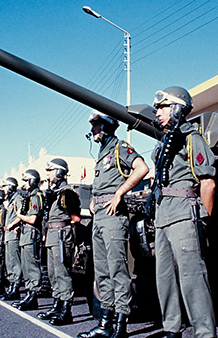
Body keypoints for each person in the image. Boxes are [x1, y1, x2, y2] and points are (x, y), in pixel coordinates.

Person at [152, 86, 217, 338]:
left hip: (184, 215)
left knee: (193, 280)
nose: (158, 112)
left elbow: (207, 182)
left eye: (163, 106)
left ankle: (204, 333)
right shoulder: (162, 145)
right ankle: (171, 327)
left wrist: (204, 222)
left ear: (177, 107)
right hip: (163, 217)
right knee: (164, 279)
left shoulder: (192, 139)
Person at [78, 110, 149, 338]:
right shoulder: (102, 153)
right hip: (99, 217)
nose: (93, 130)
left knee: (117, 269)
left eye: (96, 125)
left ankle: (120, 326)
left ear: (107, 125)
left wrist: (119, 193)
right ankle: (105, 324)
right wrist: (92, 200)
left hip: (113, 217)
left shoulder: (120, 148)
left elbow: (142, 168)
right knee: (102, 271)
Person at [38, 158, 81, 325]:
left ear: (59, 171)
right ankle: (56, 305)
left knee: (62, 273)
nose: (48, 174)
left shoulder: (67, 193)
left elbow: (75, 218)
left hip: (61, 234)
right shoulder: (55, 193)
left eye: (50, 171)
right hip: (52, 234)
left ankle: (66, 310)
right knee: (53, 273)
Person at [12, 169, 44, 311]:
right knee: (26, 266)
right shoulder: (29, 196)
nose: (24, 184)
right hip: (26, 235)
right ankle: (29, 294)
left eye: (26, 180)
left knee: (32, 267)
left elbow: (33, 218)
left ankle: (33, 296)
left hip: (31, 236)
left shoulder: (36, 196)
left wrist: (19, 215)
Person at [0, 177, 23, 301]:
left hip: (13, 235)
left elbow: (20, 215)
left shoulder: (17, 198)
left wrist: (12, 225)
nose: (3, 189)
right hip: (8, 236)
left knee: (14, 262)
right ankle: (12, 286)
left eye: (5, 186)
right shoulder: (9, 200)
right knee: (9, 262)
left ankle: (16, 288)